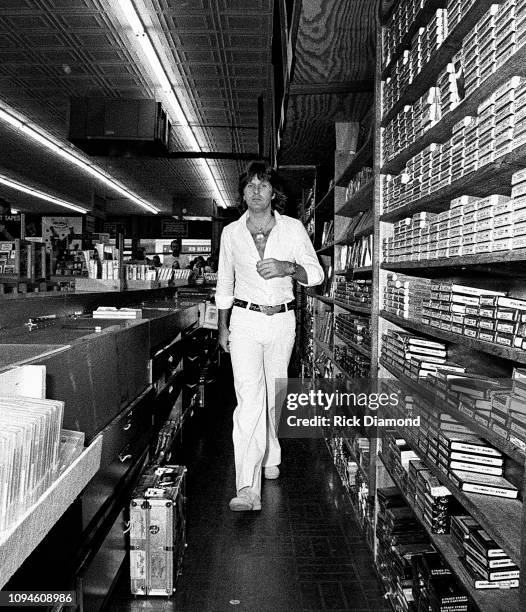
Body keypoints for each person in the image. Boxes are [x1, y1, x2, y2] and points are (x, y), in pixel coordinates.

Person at [216, 161, 324, 512]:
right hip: (244, 321)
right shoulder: (231, 233)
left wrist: (287, 268)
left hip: (281, 321)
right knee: (249, 399)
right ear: (243, 193)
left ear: (273, 192)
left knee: (275, 395)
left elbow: (317, 275)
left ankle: (270, 452)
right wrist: (223, 325)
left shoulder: (292, 229)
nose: (256, 191)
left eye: (263, 185)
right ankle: (248, 487)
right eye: (250, 185)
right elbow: (224, 284)